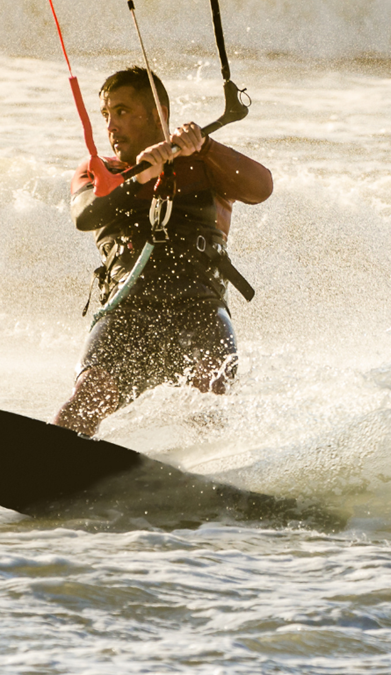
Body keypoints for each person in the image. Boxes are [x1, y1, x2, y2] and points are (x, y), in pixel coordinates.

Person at [54, 67, 273, 436]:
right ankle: (47, 465)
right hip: (127, 313)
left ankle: (213, 475)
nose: (110, 125)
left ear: (156, 115)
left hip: (199, 309)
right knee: (90, 394)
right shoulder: (101, 171)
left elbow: (261, 187)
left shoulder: (204, 163)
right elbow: (85, 214)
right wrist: (140, 174)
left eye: (122, 111)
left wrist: (207, 146)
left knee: (210, 395)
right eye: (106, 115)